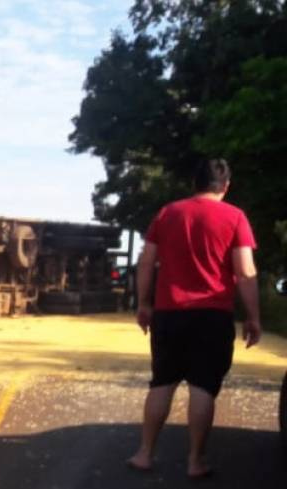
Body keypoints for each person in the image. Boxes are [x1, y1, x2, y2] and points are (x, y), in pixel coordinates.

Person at [127, 158, 262, 478]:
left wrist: (144, 304)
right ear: (226, 186)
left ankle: (145, 454)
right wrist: (253, 317)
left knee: (162, 382)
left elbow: (147, 263)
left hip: (169, 313)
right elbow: (244, 271)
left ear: (194, 183)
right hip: (212, 316)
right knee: (202, 387)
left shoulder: (168, 213)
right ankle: (195, 460)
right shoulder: (235, 217)